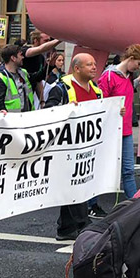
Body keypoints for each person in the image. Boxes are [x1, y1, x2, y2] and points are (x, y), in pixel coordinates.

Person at [45, 53, 107, 237]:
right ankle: (83, 225)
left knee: (74, 184)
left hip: (88, 146)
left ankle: (65, 228)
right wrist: (64, 110)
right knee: (75, 184)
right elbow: (47, 111)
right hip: (67, 147)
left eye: (95, 64)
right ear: (77, 68)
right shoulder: (62, 88)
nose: (94, 67)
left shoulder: (96, 89)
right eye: (89, 64)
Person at [98, 44, 140, 200]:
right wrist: (113, 111)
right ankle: (92, 204)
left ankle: (134, 202)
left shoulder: (126, 76)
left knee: (128, 170)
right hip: (111, 130)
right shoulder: (108, 76)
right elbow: (99, 103)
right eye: (139, 64)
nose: (139, 67)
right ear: (131, 59)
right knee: (104, 168)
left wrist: (138, 80)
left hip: (125, 130)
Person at [0, 44, 36, 113]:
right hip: (9, 120)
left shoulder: (22, 72)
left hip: (25, 117)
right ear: (13, 58)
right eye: (20, 55)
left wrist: (49, 66)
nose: (23, 57)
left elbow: (37, 78)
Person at [21, 30, 62, 103]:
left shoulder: (41, 57)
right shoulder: (24, 50)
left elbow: (38, 80)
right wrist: (60, 39)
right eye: (46, 41)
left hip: (29, 95)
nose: (49, 43)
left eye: (49, 40)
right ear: (35, 41)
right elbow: (41, 48)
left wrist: (42, 101)